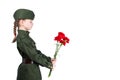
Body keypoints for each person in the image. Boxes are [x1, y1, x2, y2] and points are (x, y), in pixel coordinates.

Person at [12, 8, 56, 80]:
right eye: (30, 21)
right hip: (29, 72)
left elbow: (35, 52)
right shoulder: (23, 38)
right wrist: (49, 65)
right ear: (22, 22)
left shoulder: (25, 37)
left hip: (30, 68)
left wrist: (48, 59)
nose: (32, 23)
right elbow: (33, 55)